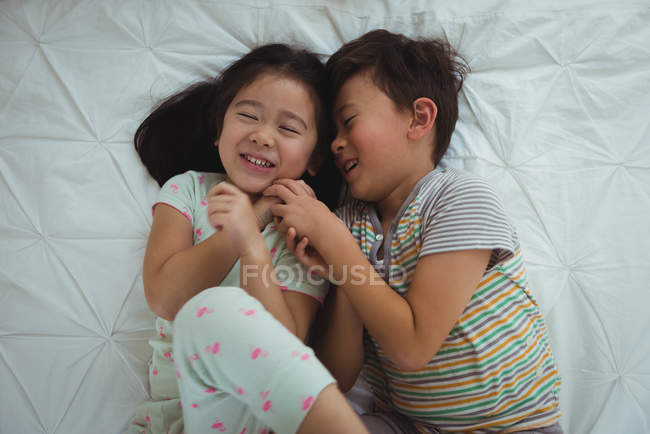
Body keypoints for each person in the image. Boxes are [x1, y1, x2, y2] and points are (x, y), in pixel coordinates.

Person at [265, 29, 563, 433]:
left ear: (419, 118)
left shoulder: (458, 198)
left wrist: (337, 244)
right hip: (412, 423)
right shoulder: (349, 220)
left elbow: (413, 347)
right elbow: (338, 377)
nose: (336, 143)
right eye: (332, 132)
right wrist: (342, 268)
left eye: (349, 121)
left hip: (514, 425)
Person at [126, 44, 367, 434]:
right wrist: (250, 219)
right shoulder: (187, 191)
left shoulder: (301, 233)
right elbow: (166, 299)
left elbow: (282, 353)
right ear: (218, 128)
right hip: (185, 416)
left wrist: (254, 246)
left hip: (263, 420)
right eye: (248, 116)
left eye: (288, 128)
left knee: (224, 309)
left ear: (314, 160)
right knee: (209, 310)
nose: (262, 135)